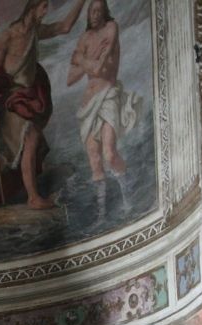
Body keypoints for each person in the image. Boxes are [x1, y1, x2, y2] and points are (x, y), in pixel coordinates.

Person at [0, 0, 88, 213]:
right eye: (43, 7)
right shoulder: (8, 36)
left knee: (8, 153)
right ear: (33, 7)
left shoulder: (34, 32)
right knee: (30, 139)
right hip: (13, 99)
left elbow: (64, 27)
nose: (45, 12)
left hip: (27, 97)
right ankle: (33, 197)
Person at [67, 0, 139, 214]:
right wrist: (88, 61)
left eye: (99, 10)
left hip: (108, 95)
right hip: (88, 103)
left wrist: (82, 59)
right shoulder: (84, 38)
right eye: (92, 10)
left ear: (105, 12)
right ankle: (101, 212)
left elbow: (99, 68)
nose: (95, 14)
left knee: (109, 153)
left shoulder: (111, 28)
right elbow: (70, 78)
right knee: (95, 160)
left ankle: (128, 200)